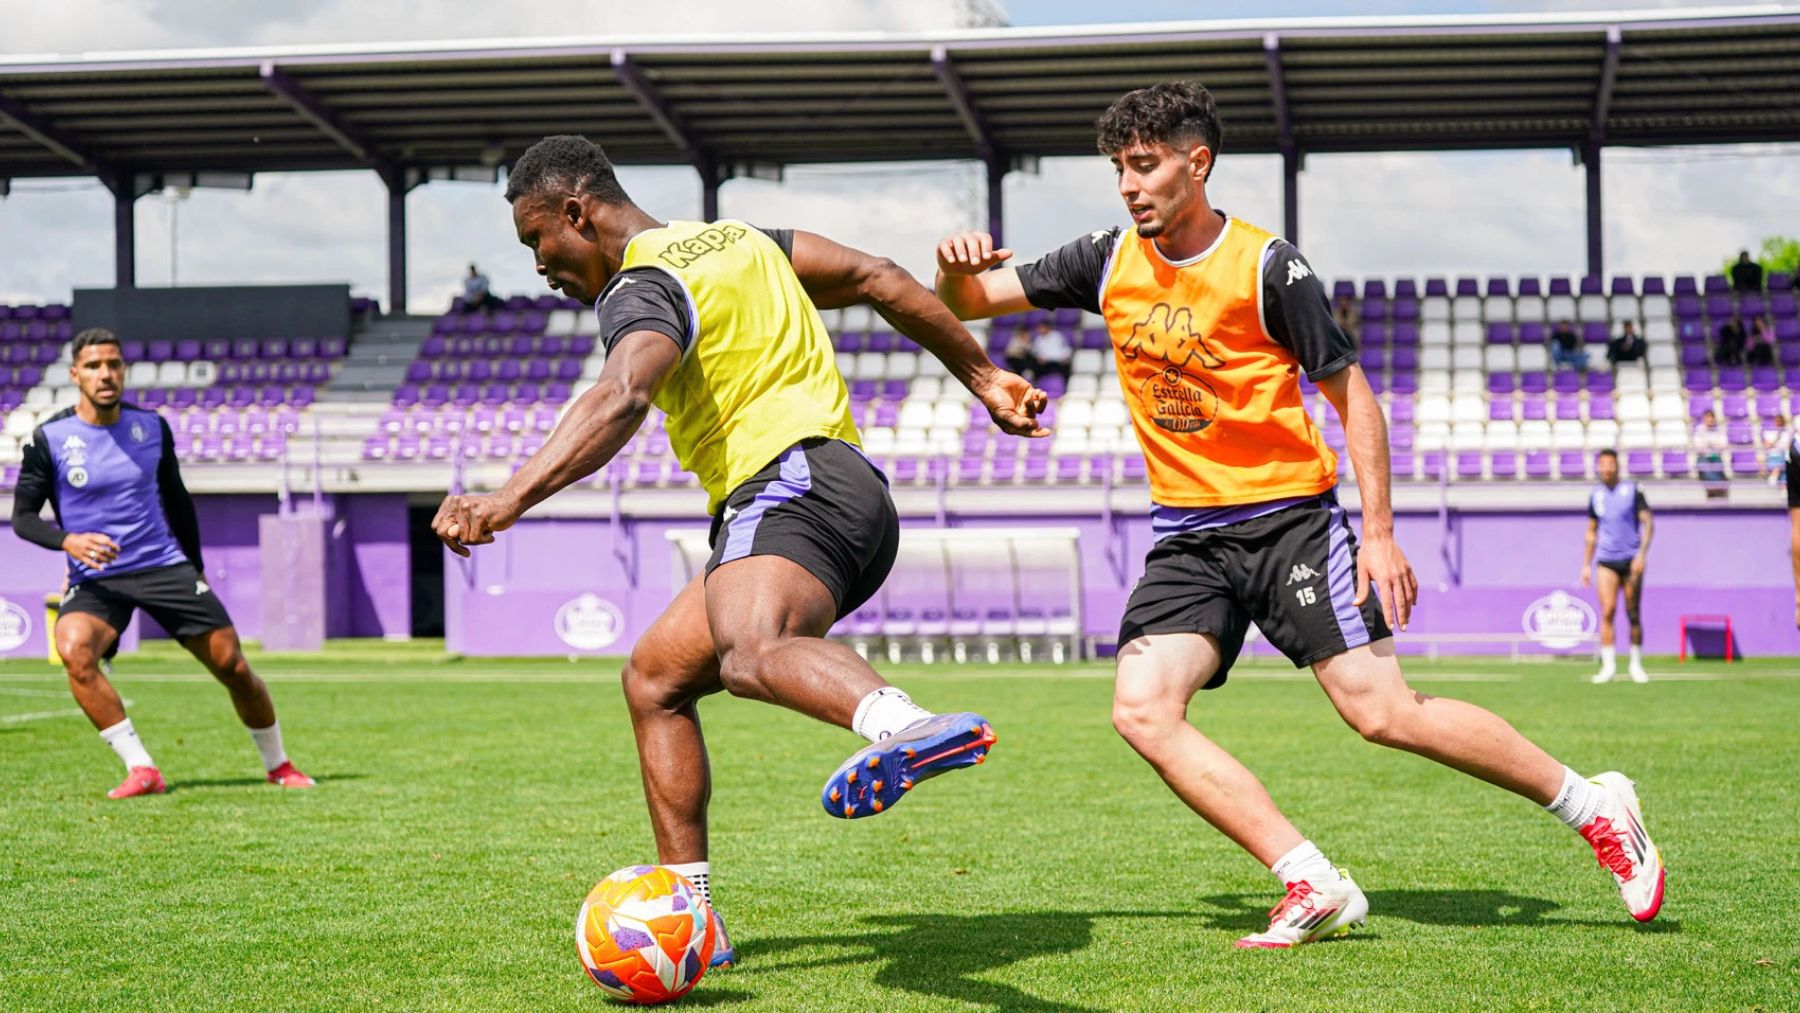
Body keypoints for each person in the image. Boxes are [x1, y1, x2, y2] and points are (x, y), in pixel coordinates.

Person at [932, 81, 1664, 949]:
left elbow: (1354, 398)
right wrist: (953, 268)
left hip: (1290, 525)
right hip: (1188, 537)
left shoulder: (1270, 267)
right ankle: (1311, 879)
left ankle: (1594, 804)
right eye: (1119, 168)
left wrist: (1379, 533)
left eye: (1145, 165)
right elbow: (966, 303)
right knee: (1142, 708)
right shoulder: (1105, 258)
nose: (1128, 186)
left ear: (1196, 163)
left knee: (1382, 713)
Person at [430, 135, 1046, 968]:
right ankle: (693, 911)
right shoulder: (744, 241)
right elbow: (878, 276)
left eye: (537, 239)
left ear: (576, 212)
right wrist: (984, 377)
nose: (539, 264)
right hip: (838, 489)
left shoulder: (642, 284)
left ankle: (906, 725)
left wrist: (505, 499)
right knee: (655, 679)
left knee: (751, 651)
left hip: (789, 482)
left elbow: (623, 393)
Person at [8, 329, 314, 799]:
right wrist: (68, 541)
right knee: (74, 649)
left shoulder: (151, 428)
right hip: (99, 577)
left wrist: (196, 566)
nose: (105, 374)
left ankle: (280, 765)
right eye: (93, 366)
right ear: (75, 375)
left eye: (113, 364)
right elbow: (23, 518)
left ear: (124, 370)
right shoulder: (50, 438)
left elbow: (178, 501)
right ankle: (141, 768)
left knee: (232, 665)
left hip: (163, 566)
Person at [1579, 450, 1653, 684]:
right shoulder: (1596, 494)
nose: (1607, 468)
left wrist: (1641, 555)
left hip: (1631, 560)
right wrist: (1585, 565)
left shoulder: (1633, 490)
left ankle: (1635, 664)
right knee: (1607, 610)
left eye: (1611, 464)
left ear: (1617, 466)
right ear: (1598, 467)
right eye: (1603, 464)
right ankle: (1608, 667)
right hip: (1606, 560)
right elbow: (1591, 532)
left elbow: (1648, 523)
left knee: (1632, 612)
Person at [1694, 408, 1729, 497]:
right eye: (1708, 417)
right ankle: (1716, 488)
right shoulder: (1699, 430)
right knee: (1705, 464)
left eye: (1711, 417)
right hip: (1704, 457)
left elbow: (1723, 445)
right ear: (1704, 419)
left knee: (1716, 463)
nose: (1710, 420)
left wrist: (1709, 444)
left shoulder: (1719, 430)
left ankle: (1713, 488)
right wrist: (1712, 445)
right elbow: (1699, 447)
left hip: (1716, 456)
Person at [1763, 413, 1792, 486]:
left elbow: (1788, 446)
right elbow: (1767, 446)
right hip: (1772, 456)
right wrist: (1776, 438)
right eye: (1777, 422)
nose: (1779, 424)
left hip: (1782, 455)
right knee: (1778, 465)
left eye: (1781, 422)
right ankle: (1773, 478)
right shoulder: (1770, 432)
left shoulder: (1787, 433)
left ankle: (1774, 478)